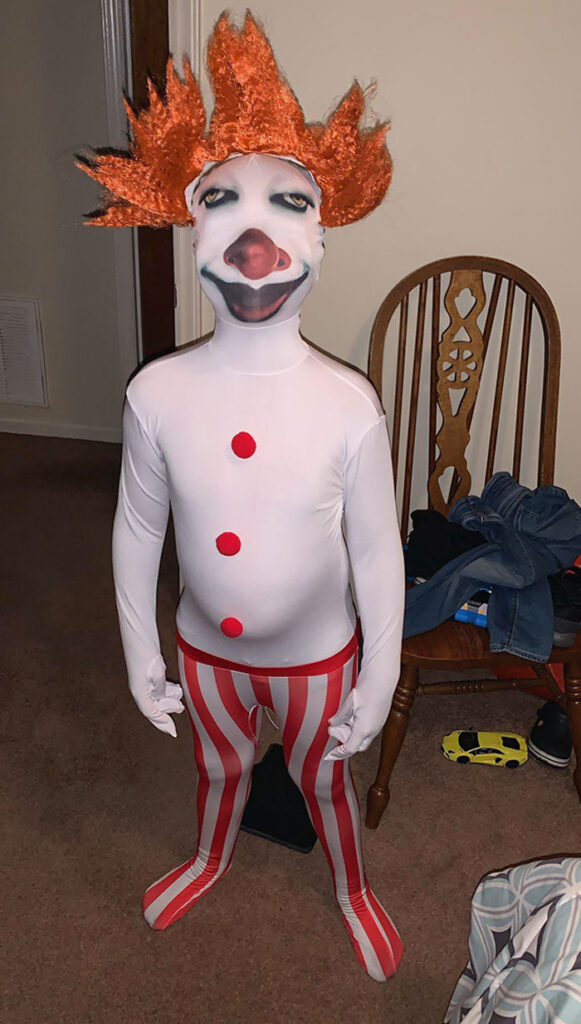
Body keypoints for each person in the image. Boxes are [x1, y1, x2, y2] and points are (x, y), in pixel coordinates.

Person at [81, 13, 405, 982]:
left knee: (323, 781)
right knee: (217, 766)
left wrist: (380, 671)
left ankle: (350, 886)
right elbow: (138, 525)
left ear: (320, 234)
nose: (253, 238)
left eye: (286, 202)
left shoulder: (348, 405)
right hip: (205, 654)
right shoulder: (156, 393)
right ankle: (209, 855)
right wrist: (140, 649)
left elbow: (376, 548)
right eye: (219, 199)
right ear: (192, 230)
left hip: (315, 659)